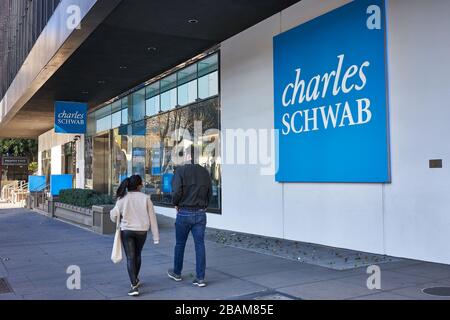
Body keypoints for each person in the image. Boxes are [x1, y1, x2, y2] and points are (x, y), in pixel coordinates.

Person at [167, 147, 212, 288]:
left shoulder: (180, 171)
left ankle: (177, 273)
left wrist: (175, 204)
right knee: (200, 245)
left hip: (184, 212)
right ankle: (200, 278)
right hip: (200, 213)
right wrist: (205, 206)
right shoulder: (205, 172)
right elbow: (210, 193)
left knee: (180, 244)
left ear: (187, 156)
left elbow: (176, 192)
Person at [110, 175, 159, 296]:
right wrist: (156, 237)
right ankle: (135, 279)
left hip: (126, 231)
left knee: (130, 258)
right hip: (142, 231)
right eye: (141, 183)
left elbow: (114, 214)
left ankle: (134, 285)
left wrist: (116, 216)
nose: (142, 184)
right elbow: (153, 218)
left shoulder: (122, 198)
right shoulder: (146, 198)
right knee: (137, 255)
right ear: (139, 186)